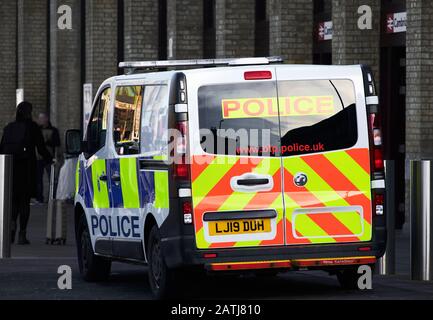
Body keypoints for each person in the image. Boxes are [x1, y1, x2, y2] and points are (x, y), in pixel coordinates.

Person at [0, 102, 53, 245]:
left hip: (10, 169)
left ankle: (10, 229)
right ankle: (22, 234)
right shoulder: (33, 128)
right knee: (24, 202)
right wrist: (50, 159)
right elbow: (41, 148)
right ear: (29, 113)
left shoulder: (9, 128)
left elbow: (1, 148)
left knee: (12, 202)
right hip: (27, 169)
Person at [36, 112, 60, 203]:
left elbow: (57, 144)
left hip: (49, 158)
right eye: (39, 118)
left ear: (47, 119)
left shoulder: (53, 130)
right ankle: (39, 198)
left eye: (42, 118)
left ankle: (52, 197)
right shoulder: (37, 130)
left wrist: (56, 157)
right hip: (38, 158)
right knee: (38, 179)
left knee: (52, 179)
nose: (40, 120)